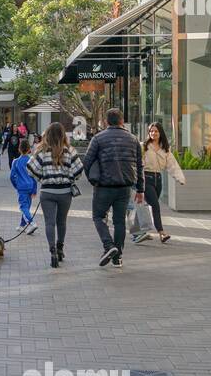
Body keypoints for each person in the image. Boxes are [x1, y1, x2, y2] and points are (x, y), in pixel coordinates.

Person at [82, 107, 144, 269]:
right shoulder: (133, 139)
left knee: (98, 217)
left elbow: (87, 162)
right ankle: (118, 258)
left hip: (103, 186)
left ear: (106, 121)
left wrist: (92, 179)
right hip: (125, 187)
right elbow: (139, 165)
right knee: (119, 222)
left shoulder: (98, 138)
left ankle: (109, 246)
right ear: (122, 121)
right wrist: (141, 189)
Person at [28, 122, 84, 269]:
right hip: (65, 192)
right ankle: (60, 248)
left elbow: (30, 168)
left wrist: (42, 178)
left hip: (47, 192)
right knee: (62, 222)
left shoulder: (41, 150)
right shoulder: (70, 150)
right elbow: (79, 171)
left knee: (49, 223)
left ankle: (52, 250)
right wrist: (70, 178)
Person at [134, 120, 186, 244]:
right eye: (151, 131)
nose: (153, 133)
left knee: (144, 206)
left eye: (156, 131)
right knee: (155, 206)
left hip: (158, 180)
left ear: (160, 133)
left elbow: (172, 165)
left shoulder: (165, 149)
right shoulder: (143, 146)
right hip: (146, 179)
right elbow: (136, 162)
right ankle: (162, 233)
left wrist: (180, 178)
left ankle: (136, 232)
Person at [9, 138, 39, 236]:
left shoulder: (15, 162)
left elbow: (11, 177)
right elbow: (35, 176)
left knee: (23, 207)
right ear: (29, 149)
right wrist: (34, 189)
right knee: (27, 206)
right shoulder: (32, 160)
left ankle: (32, 223)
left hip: (21, 188)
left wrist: (16, 185)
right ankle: (22, 225)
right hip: (30, 186)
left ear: (19, 149)